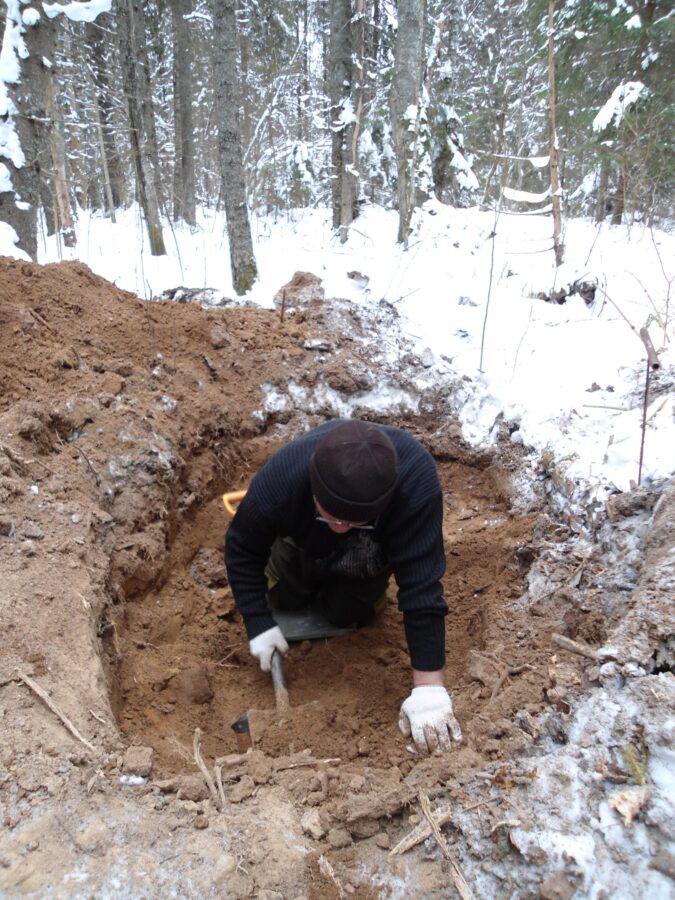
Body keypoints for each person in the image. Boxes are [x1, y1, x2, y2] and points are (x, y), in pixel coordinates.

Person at [224, 418, 463, 754]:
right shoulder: (283, 479)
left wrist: (429, 690)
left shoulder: (415, 486)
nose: (339, 526)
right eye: (331, 515)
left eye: (351, 520)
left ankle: (355, 578)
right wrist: (258, 622)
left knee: (349, 613)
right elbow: (241, 548)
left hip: (367, 552)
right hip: (300, 543)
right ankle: (296, 571)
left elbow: (421, 587)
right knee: (284, 595)